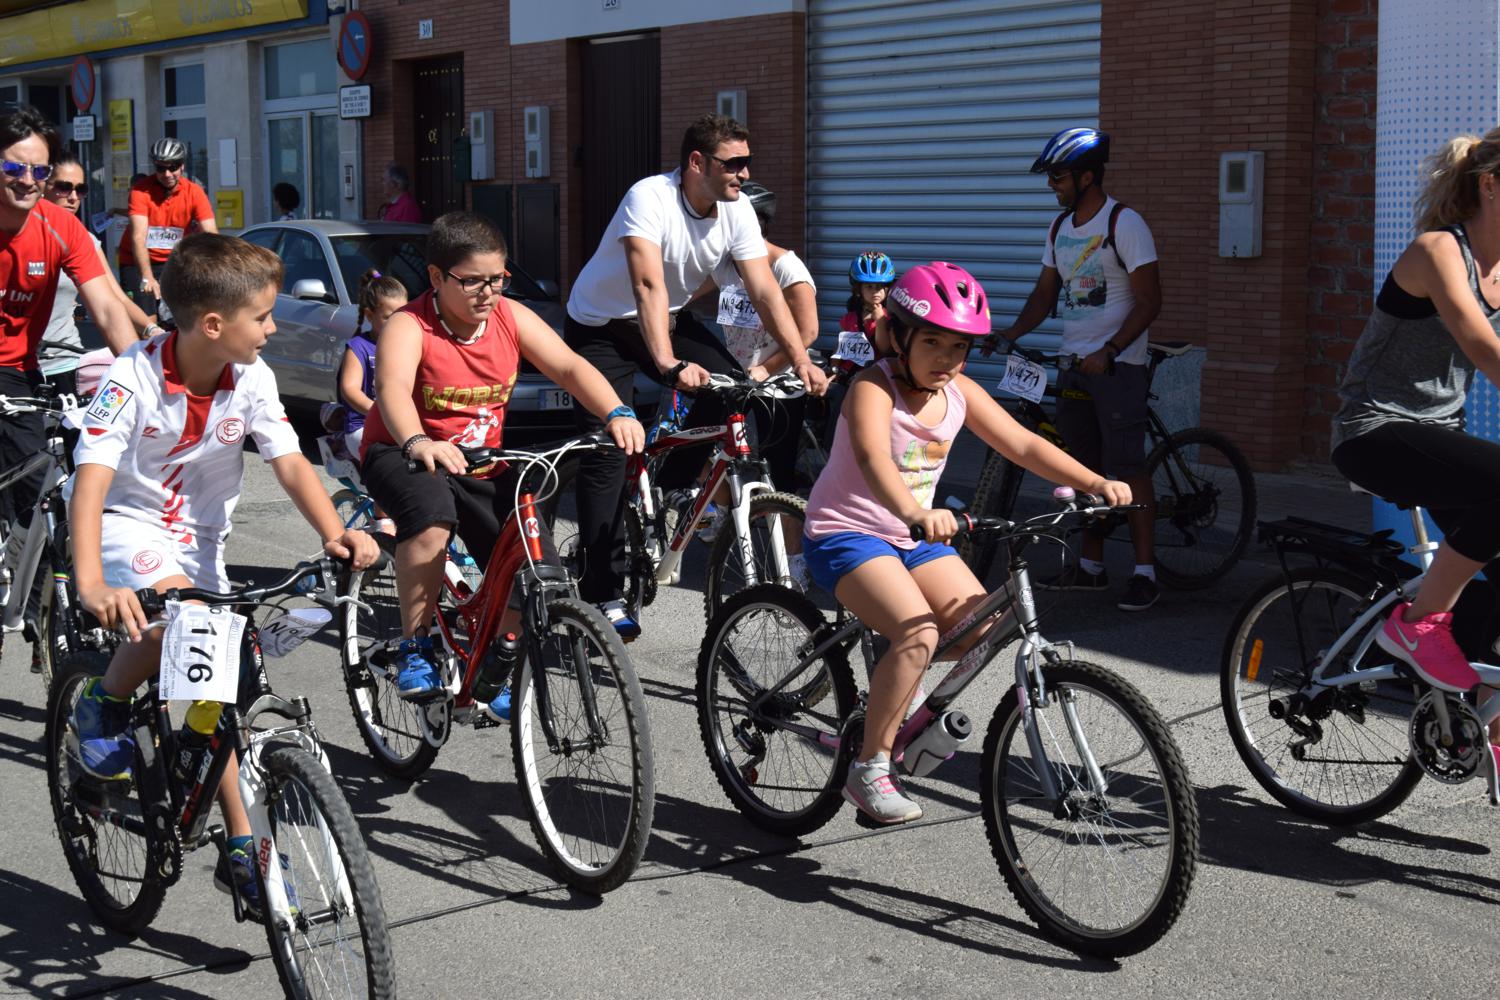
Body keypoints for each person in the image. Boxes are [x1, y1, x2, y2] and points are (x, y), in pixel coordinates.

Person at [66, 232, 379, 912]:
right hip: (128, 524)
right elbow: (90, 482)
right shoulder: (131, 378)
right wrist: (91, 580)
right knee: (179, 625)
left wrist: (336, 533)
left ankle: (241, 847)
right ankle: (104, 702)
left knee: (219, 689)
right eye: (262, 316)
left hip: (202, 540)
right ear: (213, 324)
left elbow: (290, 461)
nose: (273, 328)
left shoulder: (253, 377)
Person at [802, 262, 1129, 824]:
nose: (947, 359)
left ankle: (894, 687)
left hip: (915, 536)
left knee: (980, 630)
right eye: (932, 342)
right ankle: (870, 766)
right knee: (918, 631)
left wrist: (1094, 482)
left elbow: (1022, 444)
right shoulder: (872, 387)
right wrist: (913, 511)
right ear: (899, 337)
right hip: (847, 532)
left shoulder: (959, 393)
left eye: (959, 347)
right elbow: (872, 458)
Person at [358, 211, 645, 715]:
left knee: (535, 565)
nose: (487, 292)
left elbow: (570, 366)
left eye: (497, 278)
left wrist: (616, 411)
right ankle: (415, 646)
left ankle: (496, 662)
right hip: (404, 453)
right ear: (436, 277)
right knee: (432, 520)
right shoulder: (410, 324)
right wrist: (419, 440)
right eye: (472, 281)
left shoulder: (511, 317)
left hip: (482, 462)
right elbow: (392, 389)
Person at [564, 114, 828, 637]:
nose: (744, 173)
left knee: (731, 389)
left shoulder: (736, 209)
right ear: (697, 163)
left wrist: (799, 358)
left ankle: (676, 485)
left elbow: (764, 289)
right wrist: (666, 364)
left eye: (748, 162)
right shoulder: (649, 197)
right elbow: (646, 284)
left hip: (666, 318)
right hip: (601, 328)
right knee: (608, 454)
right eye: (735, 163)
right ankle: (602, 592)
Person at [1330, 128, 1500, 797]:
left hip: (1436, 433)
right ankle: (1416, 625)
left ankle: (1480, 724)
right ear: (1491, 184)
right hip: (1373, 429)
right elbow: (1480, 344)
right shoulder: (1437, 251)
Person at [993, 126, 1163, 612]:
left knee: (1128, 467)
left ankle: (1145, 572)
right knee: (1084, 471)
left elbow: (1150, 301)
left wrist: (1111, 350)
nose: (1052, 185)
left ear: (1087, 177)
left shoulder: (1124, 223)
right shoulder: (1059, 229)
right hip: (1074, 365)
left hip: (1119, 367)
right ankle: (1091, 567)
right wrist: (1009, 334)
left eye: (1059, 177)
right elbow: (1044, 294)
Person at [1, 105, 136, 543]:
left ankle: (28, 577)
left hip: (17, 372)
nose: (27, 180)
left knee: (36, 494)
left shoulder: (61, 227)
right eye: (13, 168)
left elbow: (108, 308)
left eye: (39, 171)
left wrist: (143, 375)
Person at [683, 180, 818, 494]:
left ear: (757, 223)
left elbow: (808, 331)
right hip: (737, 379)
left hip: (778, 385)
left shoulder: (785, 267)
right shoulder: (726, 265)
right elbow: (685, 293)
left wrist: (766, 368)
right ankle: (726, 516)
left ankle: (781, 525)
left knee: (776, 473)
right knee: (702, 452)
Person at [39, 155, 159, 397]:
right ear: (42, 186)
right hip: (16, 366)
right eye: (64, 187)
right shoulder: (19, 233)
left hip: (67, 362)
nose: (73, 197)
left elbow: (113, 301)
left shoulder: (84, 240)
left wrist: (152, 331)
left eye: (80, 190)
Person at [117, 137, 217, 320]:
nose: (167, 174)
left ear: (182, 166)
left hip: (173, 260)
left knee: (184, 317)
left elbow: (211, 235)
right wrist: (147, 277)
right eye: (161, 168)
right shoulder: (140, 191)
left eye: (173, 167)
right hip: (137, 261)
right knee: (148, 320)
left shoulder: (194, 192)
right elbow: (138, 237)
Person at [839, 250, 897, 366]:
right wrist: (834, 366)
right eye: (869, 286)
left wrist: (880, 321)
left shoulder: (890, 317)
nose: (875, 291)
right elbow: (841, 348)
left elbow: (885, 350)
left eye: (880, 287)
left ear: (887, 289)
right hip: (848, 373)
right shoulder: (850, 318)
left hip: (876, 372)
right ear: (859, 289)